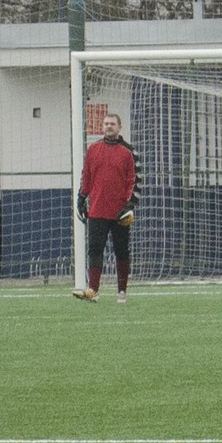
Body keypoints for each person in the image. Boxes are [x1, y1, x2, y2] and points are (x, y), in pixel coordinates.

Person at [76, 112, 139, 302]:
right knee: (95, 249)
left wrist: (129, 205)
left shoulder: (127, 153)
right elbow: (86, 176)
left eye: (112, 123)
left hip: (120, 211)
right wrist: (81, 197)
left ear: (119, 127)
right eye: (106, 123)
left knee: (121, 250)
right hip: (97, 209)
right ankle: (93, 291)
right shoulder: (93, 150)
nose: (109, 126)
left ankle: (122, 291)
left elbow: (132, 181)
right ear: (102, 127)